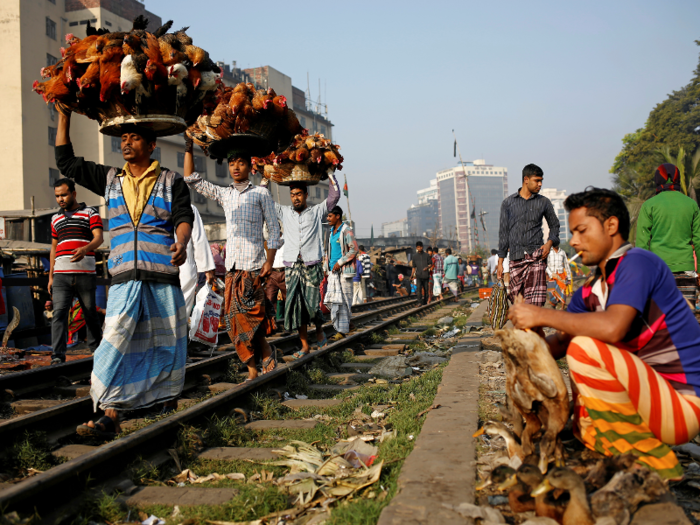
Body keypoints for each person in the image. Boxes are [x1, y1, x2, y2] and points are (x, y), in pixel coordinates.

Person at [508, 187, 700, 480]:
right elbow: (558, 343)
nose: (574, 241)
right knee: (575, 343)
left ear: (611, 226)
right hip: (650, 401)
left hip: (682, 405)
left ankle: (654, 462)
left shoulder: (638, 263)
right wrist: (530, 335)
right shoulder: (589, 289)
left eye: (582, 231)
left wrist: (541, 313)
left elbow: (613, 327)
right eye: (572, 232)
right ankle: (598, 441)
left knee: (584, 347)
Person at [55, 111, 194, 436]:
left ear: (151, 144)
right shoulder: (110, 179)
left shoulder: (171, 180)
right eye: (124, 138)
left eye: (134, 138)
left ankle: (165, 413)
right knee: (115, 343)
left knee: (165, 347)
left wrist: (182, 241)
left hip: (161, 278)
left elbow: (182, 215)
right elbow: (67, 162)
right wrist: (63, 117)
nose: (126, 143)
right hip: (123, 281)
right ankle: (111, 413)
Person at [184, 142, 280, 381]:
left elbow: (274, 229)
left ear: (250, 167)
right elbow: (192, 179)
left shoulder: (261, 193)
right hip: (232, 269)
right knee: (235, 320)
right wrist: (188, 147)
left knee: (252, 317)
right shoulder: (224, 194)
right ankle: (253, 367)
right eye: (232, 163)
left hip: (254, 266)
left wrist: (270, 261)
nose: (235, 167)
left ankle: (264, 352)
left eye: (240, 163)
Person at [271, 176, 340, 358]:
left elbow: (334, 197)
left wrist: (331, 174)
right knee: (295, 306)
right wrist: (263, 181)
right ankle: (304, 346)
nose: (296, 198)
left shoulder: (316, 211)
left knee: (311, 304)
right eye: (293, 195)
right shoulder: (284, 212)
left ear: (306, 195)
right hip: (292, 266)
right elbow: (266, 201)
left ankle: (318, 329)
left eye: (299, 194)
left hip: (311, 264)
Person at [48, 178, 104, 365]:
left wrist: (85, 249)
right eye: (57, 196)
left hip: (85, 274)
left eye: (63, 194)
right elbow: (54, 247)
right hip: (61, 275)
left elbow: (99, 238)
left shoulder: (90, 213)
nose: (60, 199)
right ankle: (57, 355)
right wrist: (50, 276)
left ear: (73, 193)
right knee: (59, 314)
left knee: (90, 313)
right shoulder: (55, 218)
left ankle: (97, 351)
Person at [636, 163, 700, 305]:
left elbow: (642, 243)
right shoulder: (691, 204)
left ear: (658, 180)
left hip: (658, 271)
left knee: (661, 319)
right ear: (677, 179)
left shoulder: (649, 205)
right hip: (686, 269)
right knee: (685, 318)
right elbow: (699, 240)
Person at [497, 163, 560, 306]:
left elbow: (555, 225)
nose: (540, 184)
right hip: (516, 257)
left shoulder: (544, 202)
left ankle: (533, 326)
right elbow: (503, 232)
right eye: (537, 180)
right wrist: (501, 262)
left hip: (537, 256)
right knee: (517, 300)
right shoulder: (508, 203)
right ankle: (527, 327)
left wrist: (549, 244)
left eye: (541, 181)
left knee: (535, 303)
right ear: (526, 179)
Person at [325, 206, 358, 340]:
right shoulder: (331, 232)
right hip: (333, 273)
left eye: (330, 216)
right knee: (335, 300)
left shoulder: (346, 231)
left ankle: (342, 331)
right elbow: (329, 252)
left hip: (344, 272)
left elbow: (354, 249)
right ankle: (347, 325)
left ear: (337, 216)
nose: (328, 219)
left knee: (344, 301)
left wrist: (340, 262)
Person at [180, 205, 216, 315]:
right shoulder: (188, 208)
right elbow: (199, 239)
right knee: (181, 314)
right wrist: (208, 269)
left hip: (152, 267)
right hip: (184, 271)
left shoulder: (146, 204)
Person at [264, 223, 287, 332]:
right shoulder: (267, 243)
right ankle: (272, 325)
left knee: (288, 299)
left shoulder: (286, 240)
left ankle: (290, 324)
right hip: (272, 274)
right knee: (269, 299)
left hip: (285, 272)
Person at [411, 241, 431, 305]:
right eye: (418, 247)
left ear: (422, 247)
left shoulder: (427, 255)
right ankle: (419, 302)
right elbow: (413, 267)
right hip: (418, 275)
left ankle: (425, 302)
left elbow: (430, 264)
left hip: (425, 275)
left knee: (426, 290)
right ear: (416, 247)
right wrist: (411, 275)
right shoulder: (414, 256)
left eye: (421, 247)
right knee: (418, 289)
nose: (420, 248)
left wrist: (427, 268)